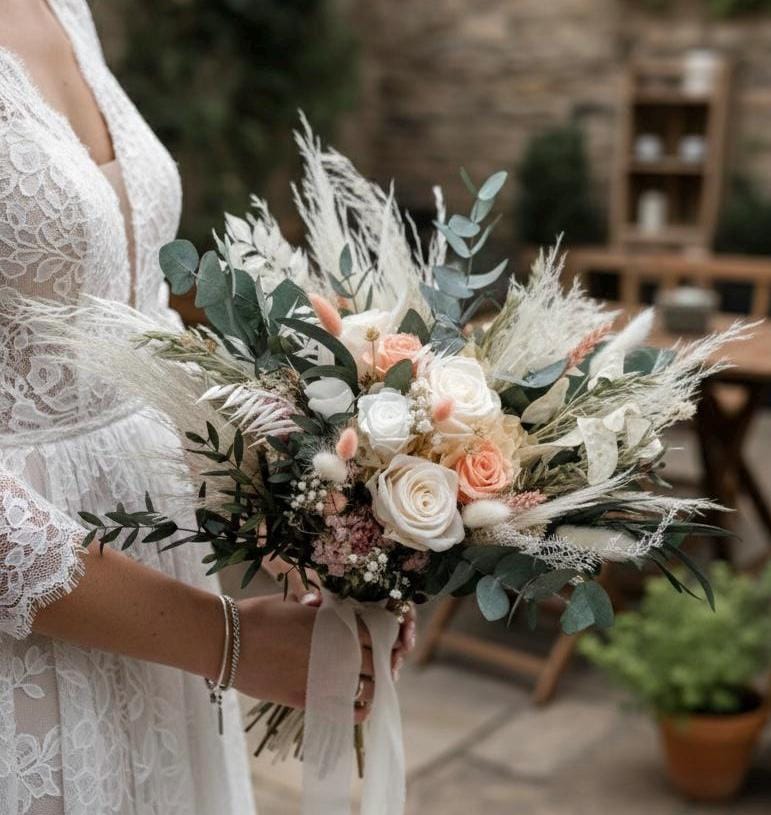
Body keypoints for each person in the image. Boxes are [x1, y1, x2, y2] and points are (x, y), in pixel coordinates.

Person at [0, 2, 415, 813]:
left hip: (155, 585)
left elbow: (135, 320)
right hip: (30, 645)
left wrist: (307, 503)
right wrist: (230, 640)